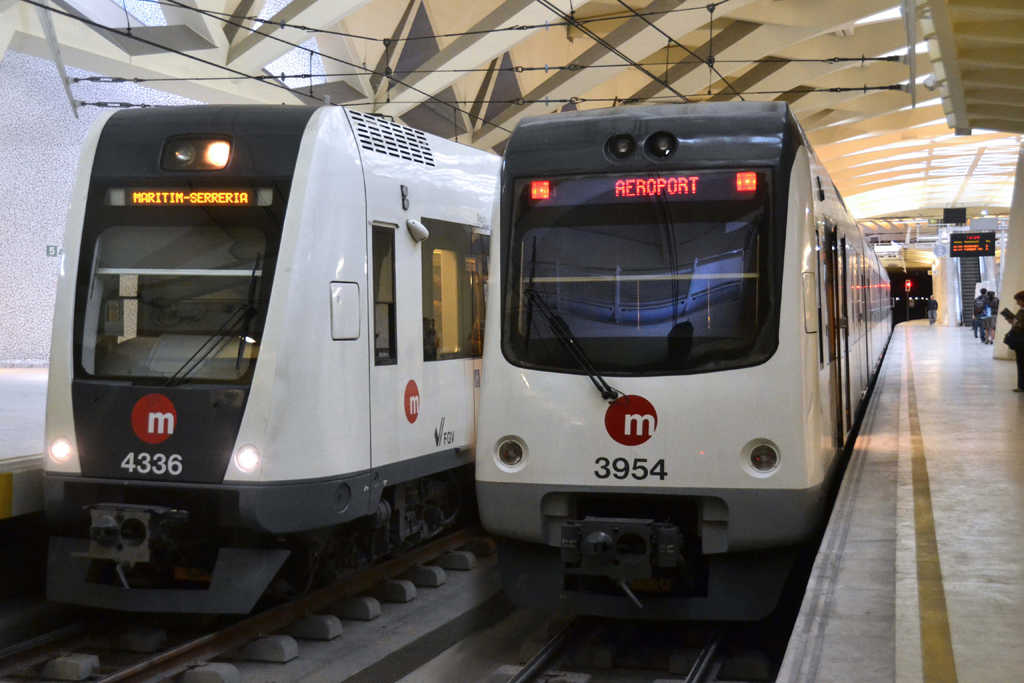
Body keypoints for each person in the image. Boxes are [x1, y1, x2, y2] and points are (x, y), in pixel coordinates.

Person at [1009, 290, 1024, 392]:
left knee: (1021, 363)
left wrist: (1015, 324)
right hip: (1019, 341)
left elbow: (1020, 325)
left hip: (1021, 340)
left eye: (1018, 300)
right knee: (1020, 363)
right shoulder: (1021, 311)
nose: (1017, 303)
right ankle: (1021, 386)